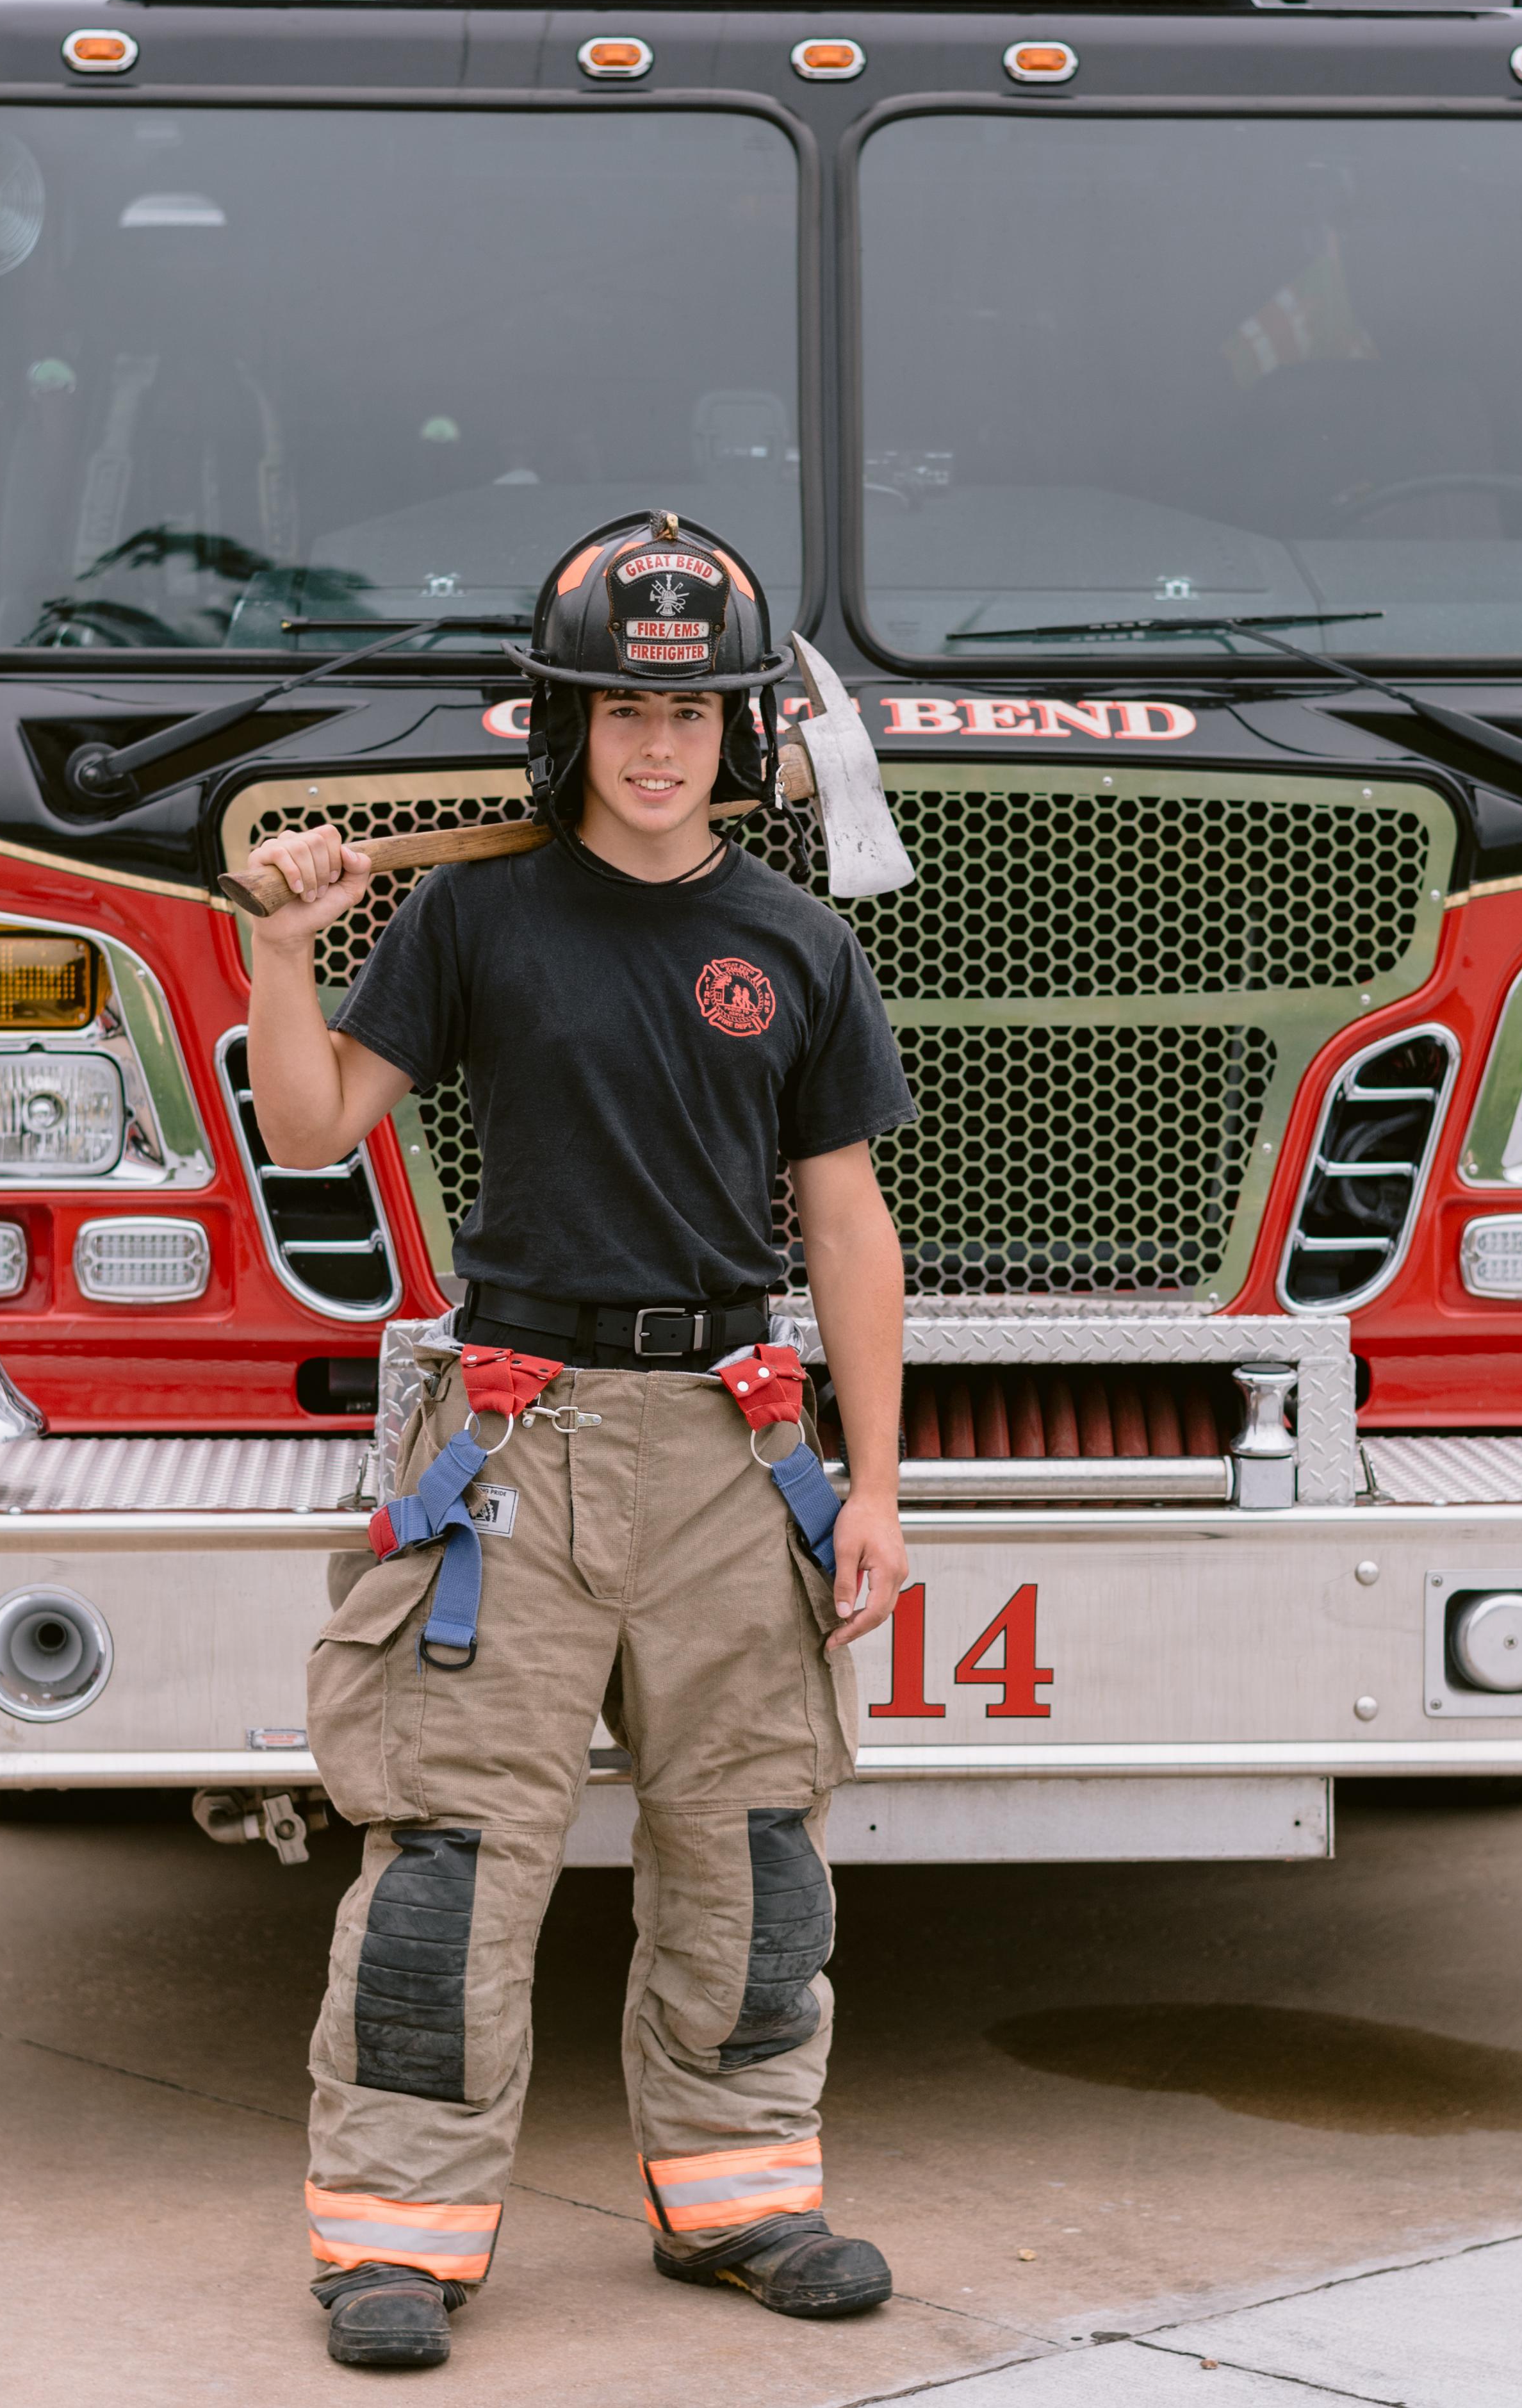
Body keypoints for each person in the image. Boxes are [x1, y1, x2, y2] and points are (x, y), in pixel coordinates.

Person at [242, 509, 915, 2371]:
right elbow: (312, 1129)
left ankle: (743, 2198)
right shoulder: (469, 919)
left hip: (733, 1442)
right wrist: (285, 953)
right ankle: (393, 2235)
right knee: (451, 1852)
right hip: (514, 1439)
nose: (652, 744)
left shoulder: (793, 943)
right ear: (563, 724)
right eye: (619, 708)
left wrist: (874, 1487)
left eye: (689, 714)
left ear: (740, 733)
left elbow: (847, 1227)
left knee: (753, 1846)